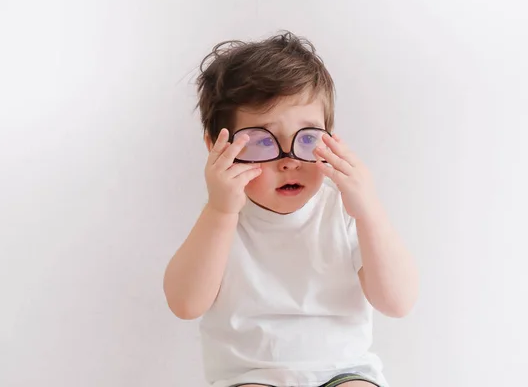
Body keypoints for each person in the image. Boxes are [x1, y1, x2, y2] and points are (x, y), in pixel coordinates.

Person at [163, 31, 419, 387]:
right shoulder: (222, 220)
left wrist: (369, 212)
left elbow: (398, 302)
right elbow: (185, 304)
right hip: (250, 377)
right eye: (262, 142)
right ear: (216, 146)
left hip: (343, 372)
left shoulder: (343, 211)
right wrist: (220, 213)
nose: (288, 161)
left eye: (308, 137)